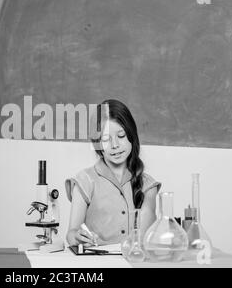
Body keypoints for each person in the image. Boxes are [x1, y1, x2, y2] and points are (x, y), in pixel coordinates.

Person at [65, 99, 161, 247]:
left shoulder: (148, 185)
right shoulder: (85, 180)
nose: (115, 145)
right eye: (105, 139)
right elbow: (72, 233)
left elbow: (144, 233)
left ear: (132, 136)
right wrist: (77, 237)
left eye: (121, 136)